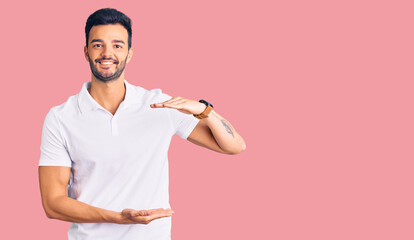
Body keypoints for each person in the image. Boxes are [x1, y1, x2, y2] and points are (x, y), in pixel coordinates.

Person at [38, 8, 246, 240]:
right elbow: (53, 203)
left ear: (129, 53)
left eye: (117, 45)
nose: (107, 53)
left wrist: (205, 111)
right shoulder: (61, 117)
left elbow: (234, 146)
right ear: (86, 52)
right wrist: (117, 217)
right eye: (98, 45)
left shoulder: (159, 105)